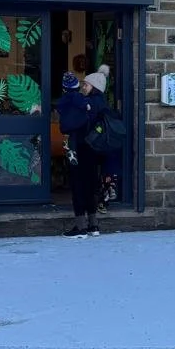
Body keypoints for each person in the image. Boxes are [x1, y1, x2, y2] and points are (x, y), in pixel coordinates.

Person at [53, 71, 104, 237]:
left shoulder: (65, 103)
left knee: (77, 186)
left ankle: (81, 226)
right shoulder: (92, 102)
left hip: (75, 146)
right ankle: (94, 224)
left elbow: (64, 126)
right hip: (91, 147)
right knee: (90, 184)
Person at [82, 64, 122, 212]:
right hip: (109, 144)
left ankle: (93, 203)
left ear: (94, 87)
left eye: (86, 85)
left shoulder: (91, 103)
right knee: (107, 170)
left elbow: (86, 122)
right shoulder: (105, 103)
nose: (84, 87)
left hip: (96, 143)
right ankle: (104, 199)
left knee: (92, 173)